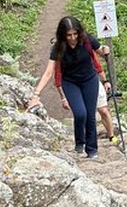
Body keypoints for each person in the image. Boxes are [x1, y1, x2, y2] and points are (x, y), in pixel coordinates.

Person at [28, 16, 111, 159]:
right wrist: (36, 94)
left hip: (89, 80)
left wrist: (105, 49)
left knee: (90, 115)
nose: (72, 38)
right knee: (80, 113)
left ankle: (92, 149)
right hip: (70, 83)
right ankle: (80, 142)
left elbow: (100, 52)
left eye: (75, 34)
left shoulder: (87, 40)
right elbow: (48, 72)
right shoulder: (58, 47)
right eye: (69, 35)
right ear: (63, 35)